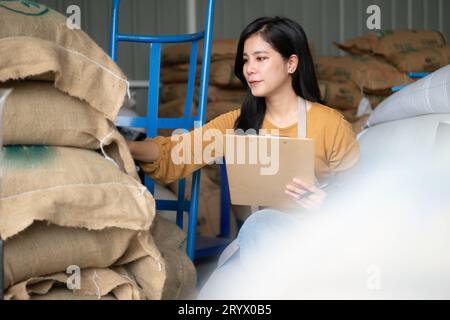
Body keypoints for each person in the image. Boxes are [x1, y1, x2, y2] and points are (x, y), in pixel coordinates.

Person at [127, 16, 359, 212]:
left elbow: (363, 198)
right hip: (263, 237)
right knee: (251, 234)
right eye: (246, 60)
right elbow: (176, 153)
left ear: (291, 64)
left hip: (320, 239)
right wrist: (121, 145)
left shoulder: (331, 124)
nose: (249, 69)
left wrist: (327, 203)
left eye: (261, 58)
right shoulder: (239, 122)